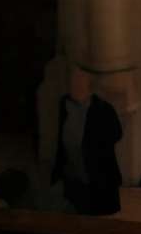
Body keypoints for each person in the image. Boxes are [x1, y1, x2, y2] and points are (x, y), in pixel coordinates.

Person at [50, 77, 125, 215]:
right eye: (73, 85)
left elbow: (116, 133)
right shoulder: (64, 105)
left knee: (98, 215)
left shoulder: (103, 108)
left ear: (89, 88)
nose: (75, 88)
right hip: (73, 177)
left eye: (79, 85)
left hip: (98, 178)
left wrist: (96, 146)